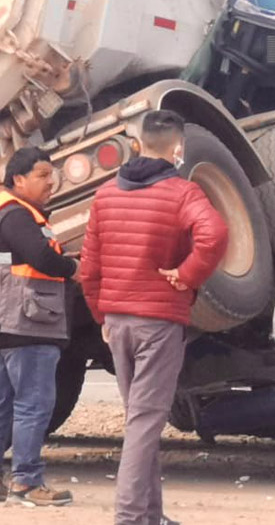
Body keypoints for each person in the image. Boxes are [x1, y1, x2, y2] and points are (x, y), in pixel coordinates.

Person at [81, 110, 229, 525]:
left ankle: (150, 514)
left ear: (138, 144)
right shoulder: (183, 194)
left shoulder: (106, 194)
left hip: (118, 320)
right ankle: (130, 517)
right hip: (159, 320)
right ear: (178, 149)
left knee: (139, 420)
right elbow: (215, 234)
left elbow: (89, 267)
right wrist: (186, 275)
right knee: (145, 423)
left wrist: (102, 316)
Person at [0, 147, 79, 507]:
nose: (52, 182)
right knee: (34, 404)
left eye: (52, 174)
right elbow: (41, 257)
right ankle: (26, 482)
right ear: (18, 179)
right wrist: (72, 268)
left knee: (6, 404)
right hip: (30, 323)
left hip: (10, 324)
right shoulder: (17, 216)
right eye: (43, 175)